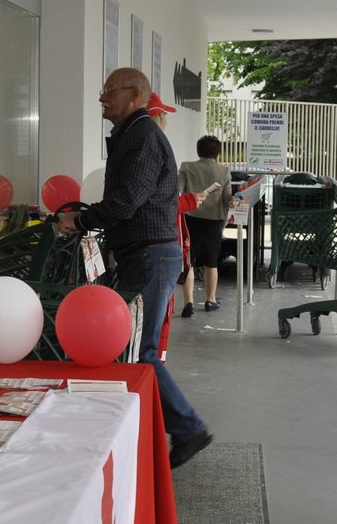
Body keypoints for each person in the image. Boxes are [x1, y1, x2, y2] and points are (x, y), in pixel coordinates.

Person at [56, 68, 213, 468]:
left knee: (139, 350)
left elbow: (129, 199)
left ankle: (188, 428)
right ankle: (150, 429)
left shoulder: (142, 137)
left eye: (109, 91)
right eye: (103, 90)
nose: (101, 98)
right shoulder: (133, 134)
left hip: (150, 255)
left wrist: (83, 219)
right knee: (132, 348)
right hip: (143, 253)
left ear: (135, 94)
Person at [177, 135, 233, 315]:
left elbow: (177, 192)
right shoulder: (223, 172)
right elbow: (227, 200)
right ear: (218, 153)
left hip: (189, 218)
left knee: (189, 261)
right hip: (213, 221)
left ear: (198, 150)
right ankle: (210, 300)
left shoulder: (187, 166)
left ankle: (188, 303)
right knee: (211, 262)